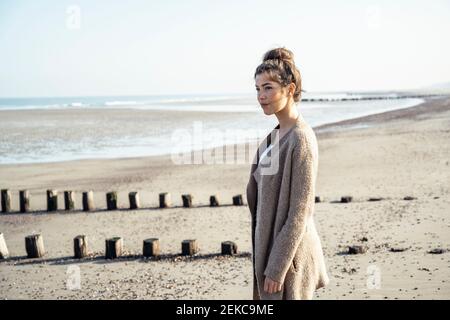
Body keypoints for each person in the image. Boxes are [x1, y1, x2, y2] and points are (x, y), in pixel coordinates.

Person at [246, 47, 329, 300]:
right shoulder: (274, 136)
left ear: (290, 90)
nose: (261, 95)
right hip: (269, 251)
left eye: (268, 87)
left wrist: (276, 268)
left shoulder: (301, 139)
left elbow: (300, 212)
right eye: (258, 89)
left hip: (289, 262)